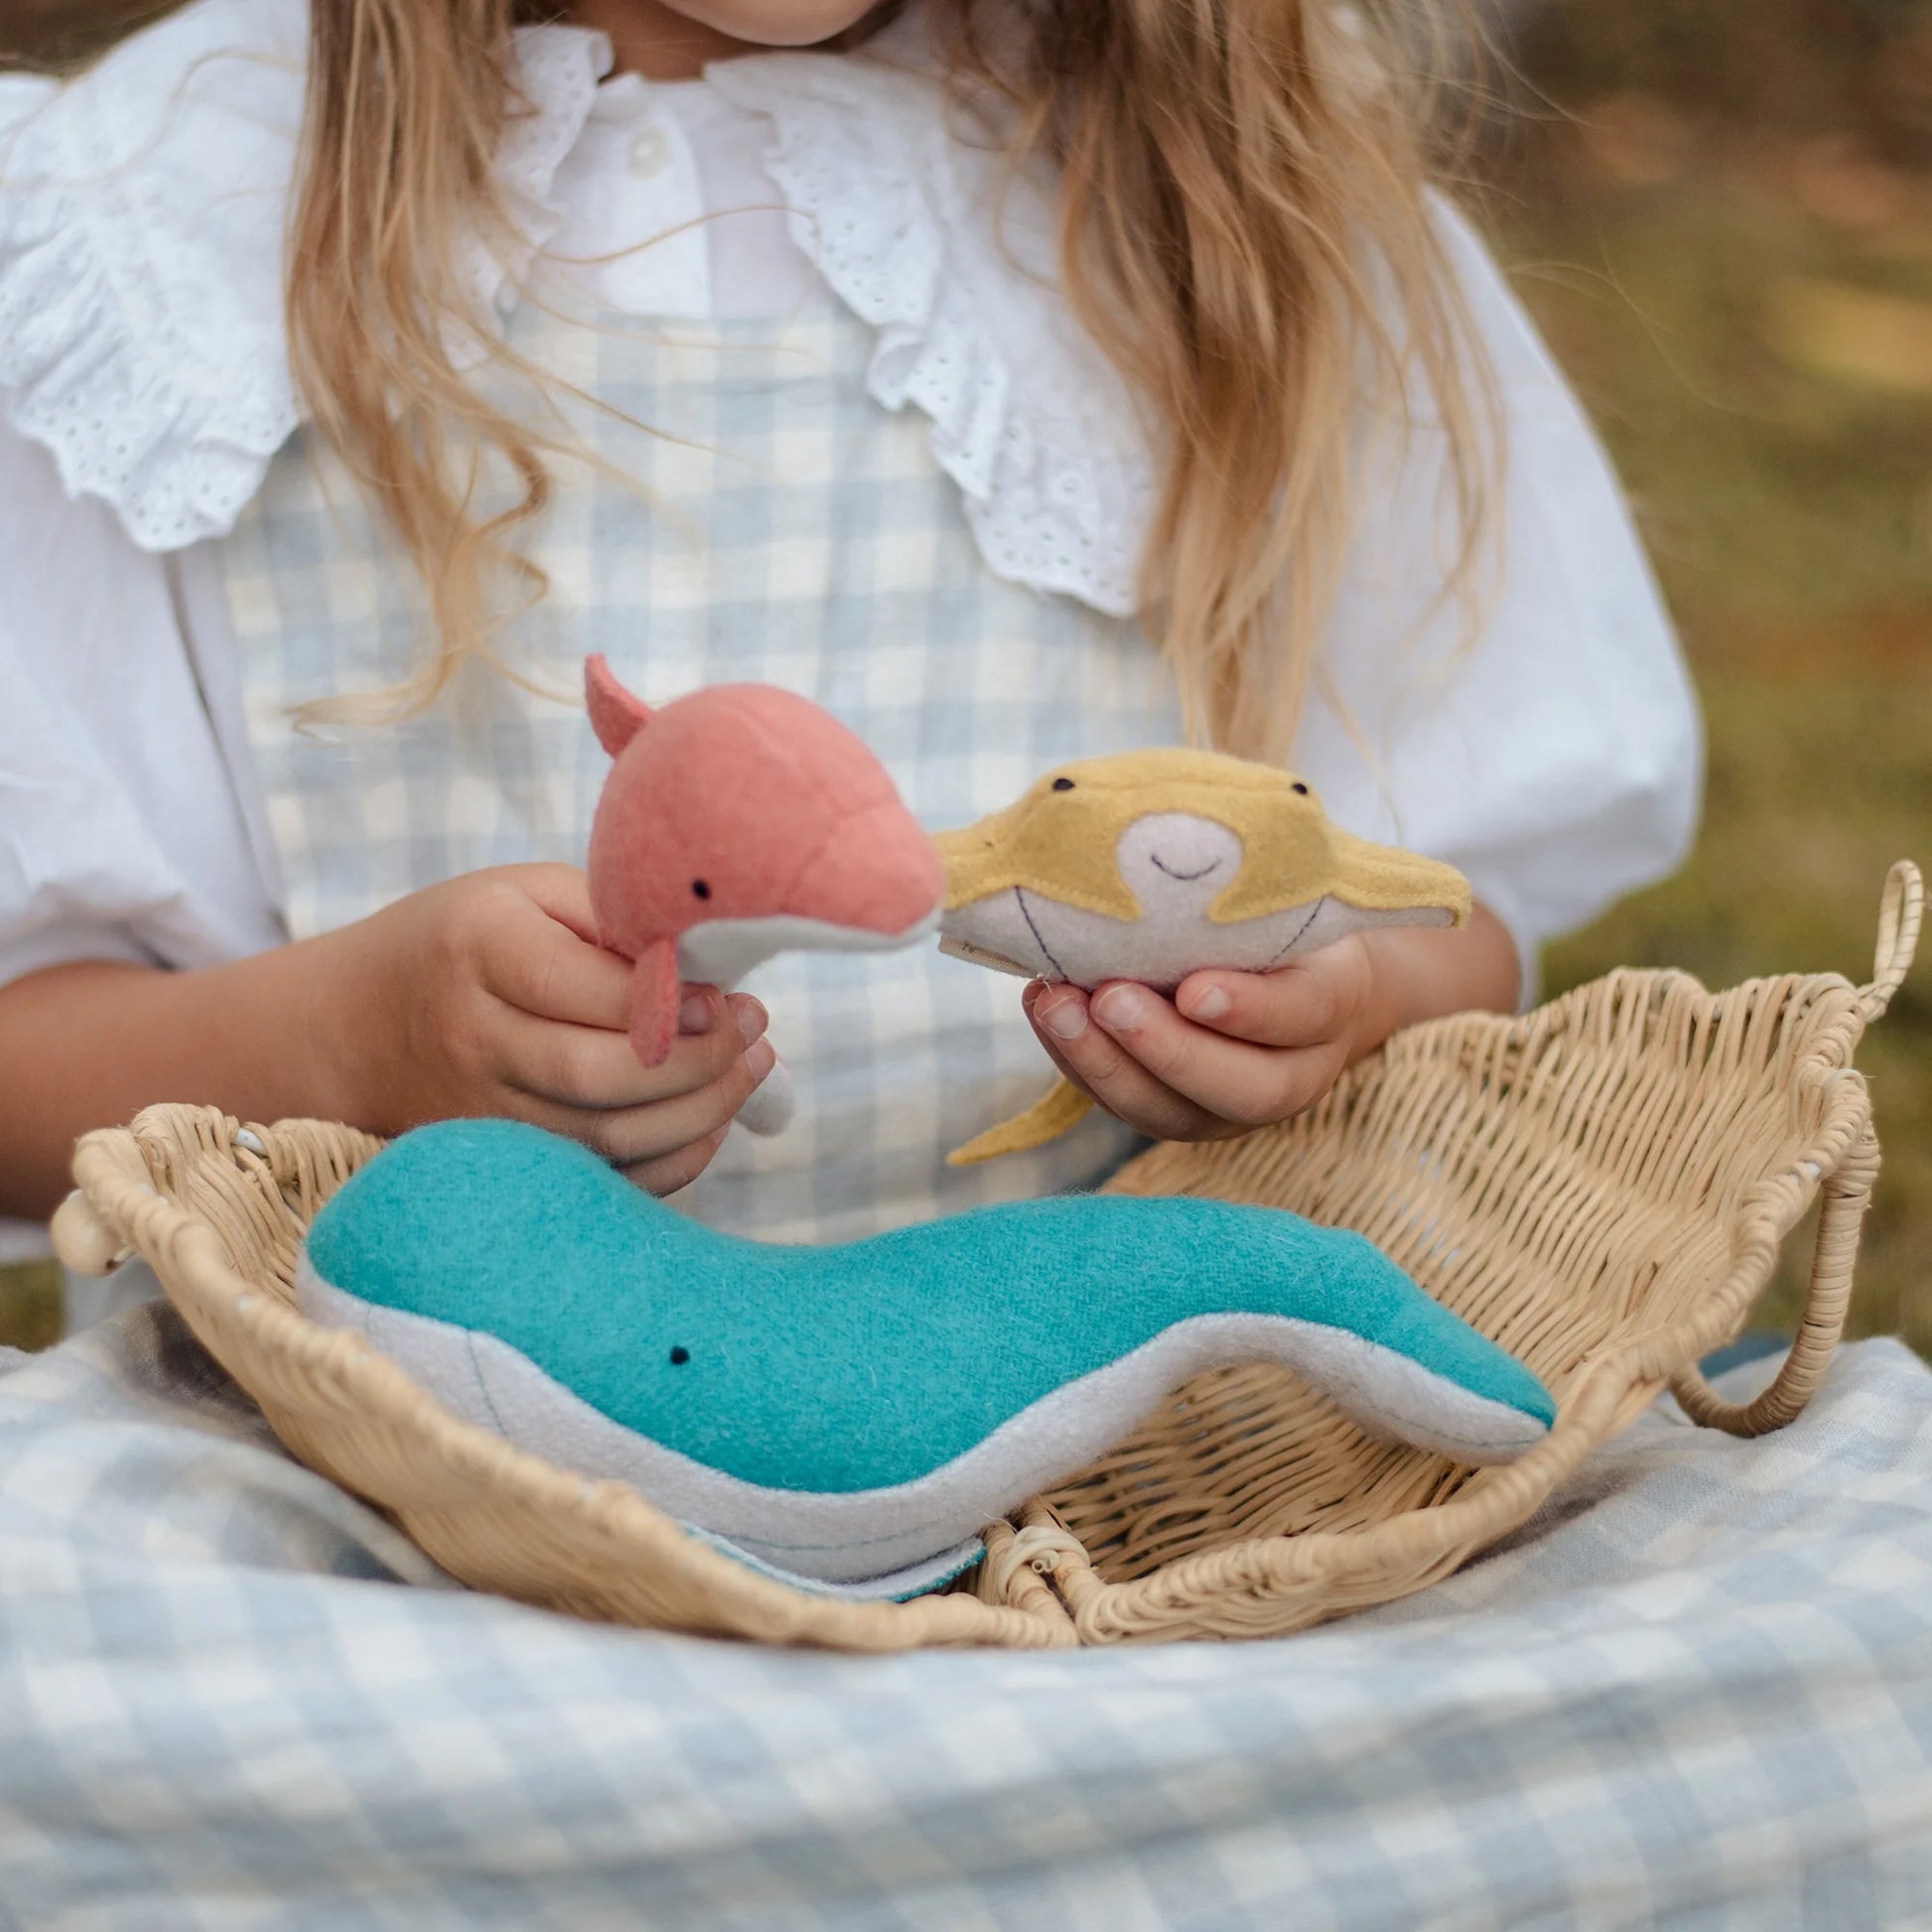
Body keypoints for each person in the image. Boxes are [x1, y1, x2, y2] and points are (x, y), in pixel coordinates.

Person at [0, 0, 1699, 1260]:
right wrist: (348, 1044)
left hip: (1117, 1448)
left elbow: (1465, 914)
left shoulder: (1248, 225)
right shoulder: (145, 242)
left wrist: (1352, 1006)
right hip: (378, 1466)